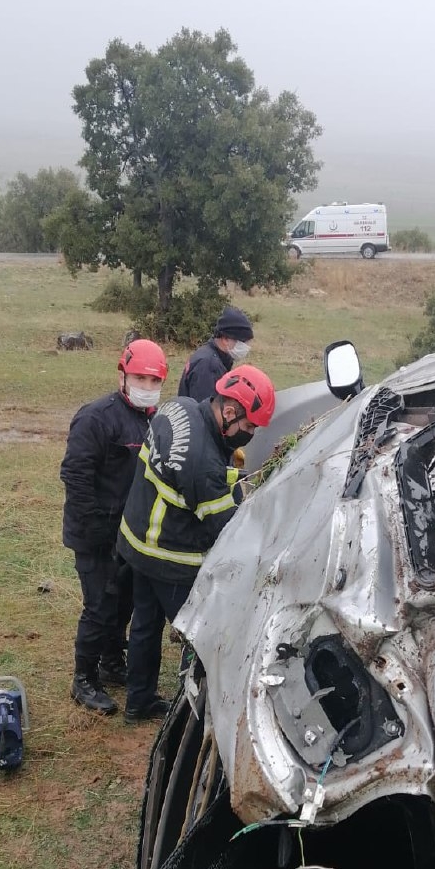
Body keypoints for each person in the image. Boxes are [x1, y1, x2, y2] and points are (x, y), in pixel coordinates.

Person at [117, 364, 276, 723]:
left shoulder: (182, 406)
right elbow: (227, 527)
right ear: (230, 411)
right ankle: (200, 712)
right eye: (249, 427)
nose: (249, 435)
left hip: (136, 536)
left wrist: (252, 476)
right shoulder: (201, 464)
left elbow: (205, 473)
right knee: (201, 634)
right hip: (166, 554)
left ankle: (138, 702)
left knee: (144, 624)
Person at [60, 339, 168, 715]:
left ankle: (110, 661)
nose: (147, 386)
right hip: (95, 533)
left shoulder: (153, 419)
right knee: (100, 606)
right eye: (140, 377)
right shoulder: (95, 418)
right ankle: (83, 677)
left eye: (154, 381)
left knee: (123, 602)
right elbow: (75, 476)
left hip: (128, 533)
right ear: (122, 375)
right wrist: (95, 534)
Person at [178, 306, 254, 402]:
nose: (246, 347)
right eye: (243, 342)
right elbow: (205, 410)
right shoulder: (208, 365)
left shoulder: (214, 356)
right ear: (226, 339)